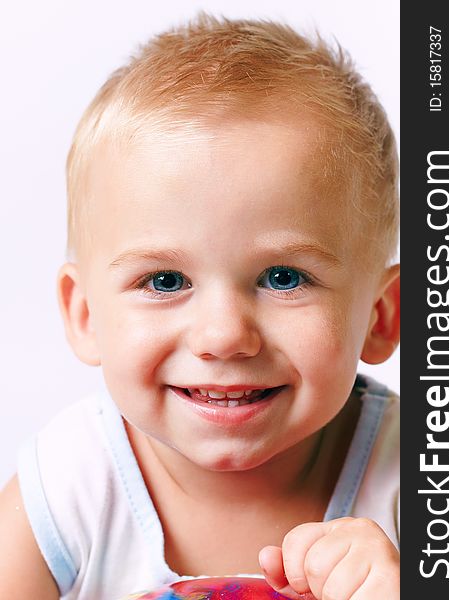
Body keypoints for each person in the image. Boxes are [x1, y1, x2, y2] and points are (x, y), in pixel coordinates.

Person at [0, 13, 400, 600]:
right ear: (85, 315)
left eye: (283, 277)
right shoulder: (68, 488)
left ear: (381, 316)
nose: (224, 335)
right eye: (164, 280)